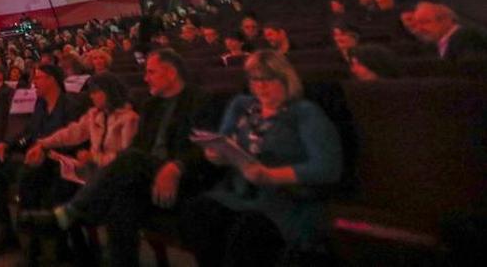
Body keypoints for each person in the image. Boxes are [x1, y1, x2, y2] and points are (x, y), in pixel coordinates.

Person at [19, 50, 220, 267]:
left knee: (129, 158)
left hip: (184, 178)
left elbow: (206, 148)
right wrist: (43, 144)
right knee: (121, 203)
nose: (146, 78)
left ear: (171, 73)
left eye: (151, 72)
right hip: (149, 176)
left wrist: (177, 167)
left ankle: (69, 213)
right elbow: (134, 147)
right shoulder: (151, 105)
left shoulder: (201, 100)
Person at [180, 50, 343, 266]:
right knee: (199, 212)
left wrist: (270, 175)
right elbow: (224, 141)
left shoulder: (304, 112)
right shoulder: (243, 105)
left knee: (247, 231)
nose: (260, 87)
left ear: (286, 80)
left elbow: (328, 167)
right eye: (255, 80)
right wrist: (216, 155)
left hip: (286, 199)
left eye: (268, 80)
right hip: (241, 193)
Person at [0, 64, 79, 260]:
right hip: (35, 159)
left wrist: (45, 150)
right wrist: (7, 144)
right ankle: (7, 232)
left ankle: (32, 244)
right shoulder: (40, 104)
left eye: (39, 78)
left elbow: (72, 140)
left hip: (57, 163)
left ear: (52, 80)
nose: (34, 82)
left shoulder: (69, 105)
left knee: (27, 177)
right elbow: (29, 134)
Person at [412, 1, 487, 66]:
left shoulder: (467, 38)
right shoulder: (434, 46)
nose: (418, 29)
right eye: (416, 24)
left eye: (424, 22)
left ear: (446, 20)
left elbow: (471, 71)